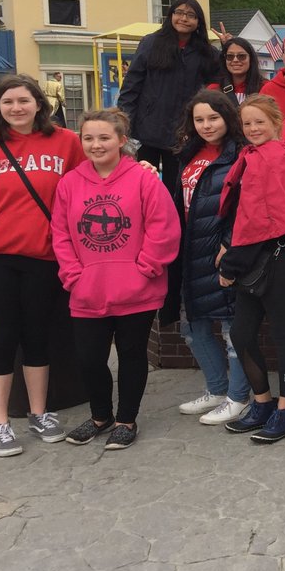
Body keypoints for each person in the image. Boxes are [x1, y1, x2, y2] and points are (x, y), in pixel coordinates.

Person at [0, 75, 85, 456]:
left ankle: (39, 413)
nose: (16, 108)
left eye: (23, 100)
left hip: (45, 257)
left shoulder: (66, 142)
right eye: (7, 102)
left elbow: (88, 185)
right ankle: (0, 422)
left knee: (37, 338)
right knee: (3, 338)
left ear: (39, 104)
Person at [51, 109, 180, 450]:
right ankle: (99, 416)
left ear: (122, 141)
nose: (96, 145)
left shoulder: (143, 179)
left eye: (104, 137)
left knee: (132, 355)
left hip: (136, 288)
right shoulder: (70, 183)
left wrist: (146, 268)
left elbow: (162, 227)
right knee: (89, 358)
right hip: (87, 289)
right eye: (89, 138)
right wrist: (73, 275)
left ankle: (126, 419)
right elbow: (61, 233)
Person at [216, 95, 285, 443]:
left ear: (276, 122)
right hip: (260, 253)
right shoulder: (262, 155)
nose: (253, 129)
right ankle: (263, 402)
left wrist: (231, 263)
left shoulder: (270, 158)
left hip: (276, 255)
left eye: (260, 122)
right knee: (243, 333)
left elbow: (266, 219)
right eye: (247, 124)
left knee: (283, 334)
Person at [174, 90, 251, 426]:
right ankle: (217, 389)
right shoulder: (188, 154)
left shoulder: (241, 155)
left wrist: (231, 243)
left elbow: (248, 204)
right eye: (199, 119)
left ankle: (239, 397)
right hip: (191, 250)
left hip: (223, 251)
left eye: (213, 118)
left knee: (232, 327)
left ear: (227, 118)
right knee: (193, 325)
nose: (206, 125)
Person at [118, 0, 221, 200]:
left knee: (177, 192)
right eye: (179, 12)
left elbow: (220, 83)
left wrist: (228, 47)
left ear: (198, 21)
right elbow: (131, 86)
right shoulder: (151, 43)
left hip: (183, 135)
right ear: (171, 15)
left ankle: (176, 231)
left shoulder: (207, 53)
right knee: (142, 188)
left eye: (191, 15)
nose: (184, 18)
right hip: (145, 131)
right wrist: (125, 124)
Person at [210, 37, 263, 106]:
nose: (235, 60)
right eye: (230, 56)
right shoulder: (213, 90)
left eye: (241, 56)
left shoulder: (265, 88)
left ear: (251, 59)